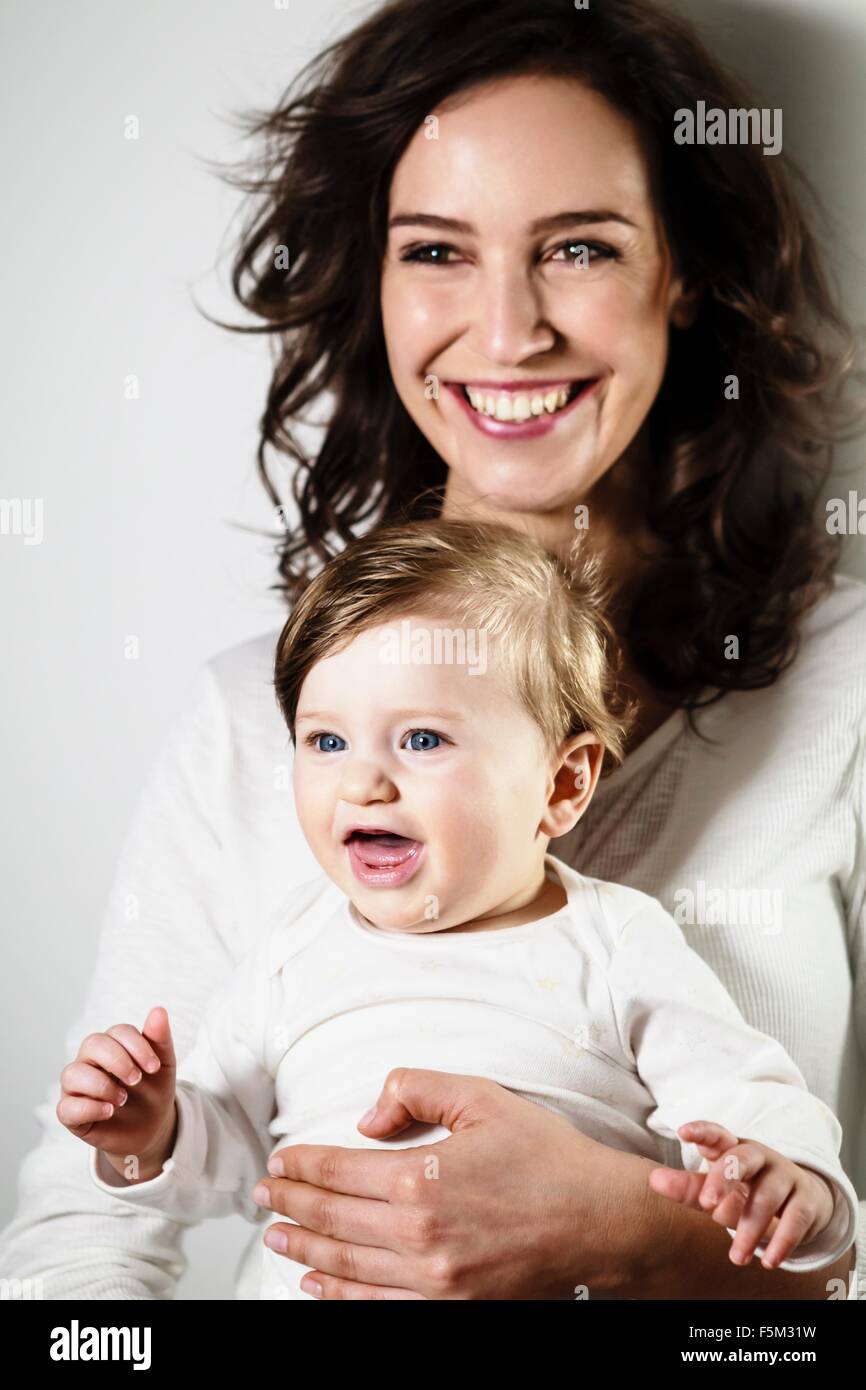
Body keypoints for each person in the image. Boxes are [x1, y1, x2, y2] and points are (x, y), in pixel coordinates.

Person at [2, 0, 864, 1300]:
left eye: (576, 247)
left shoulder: (838, 690)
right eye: (436, 251)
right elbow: (89, 1231)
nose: (509, 330)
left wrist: (646, 1239)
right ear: (376, 280)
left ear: (680, 270)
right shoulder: (254, 715)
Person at [56, 521, 859, 1298]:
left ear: (563, 784)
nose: (362, 783)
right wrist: (151, 1132)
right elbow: (227, 1156)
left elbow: (747, 1094)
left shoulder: (615, 943)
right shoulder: (288, 951)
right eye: (326, 742)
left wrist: (785, 1181)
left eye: (423, 740)